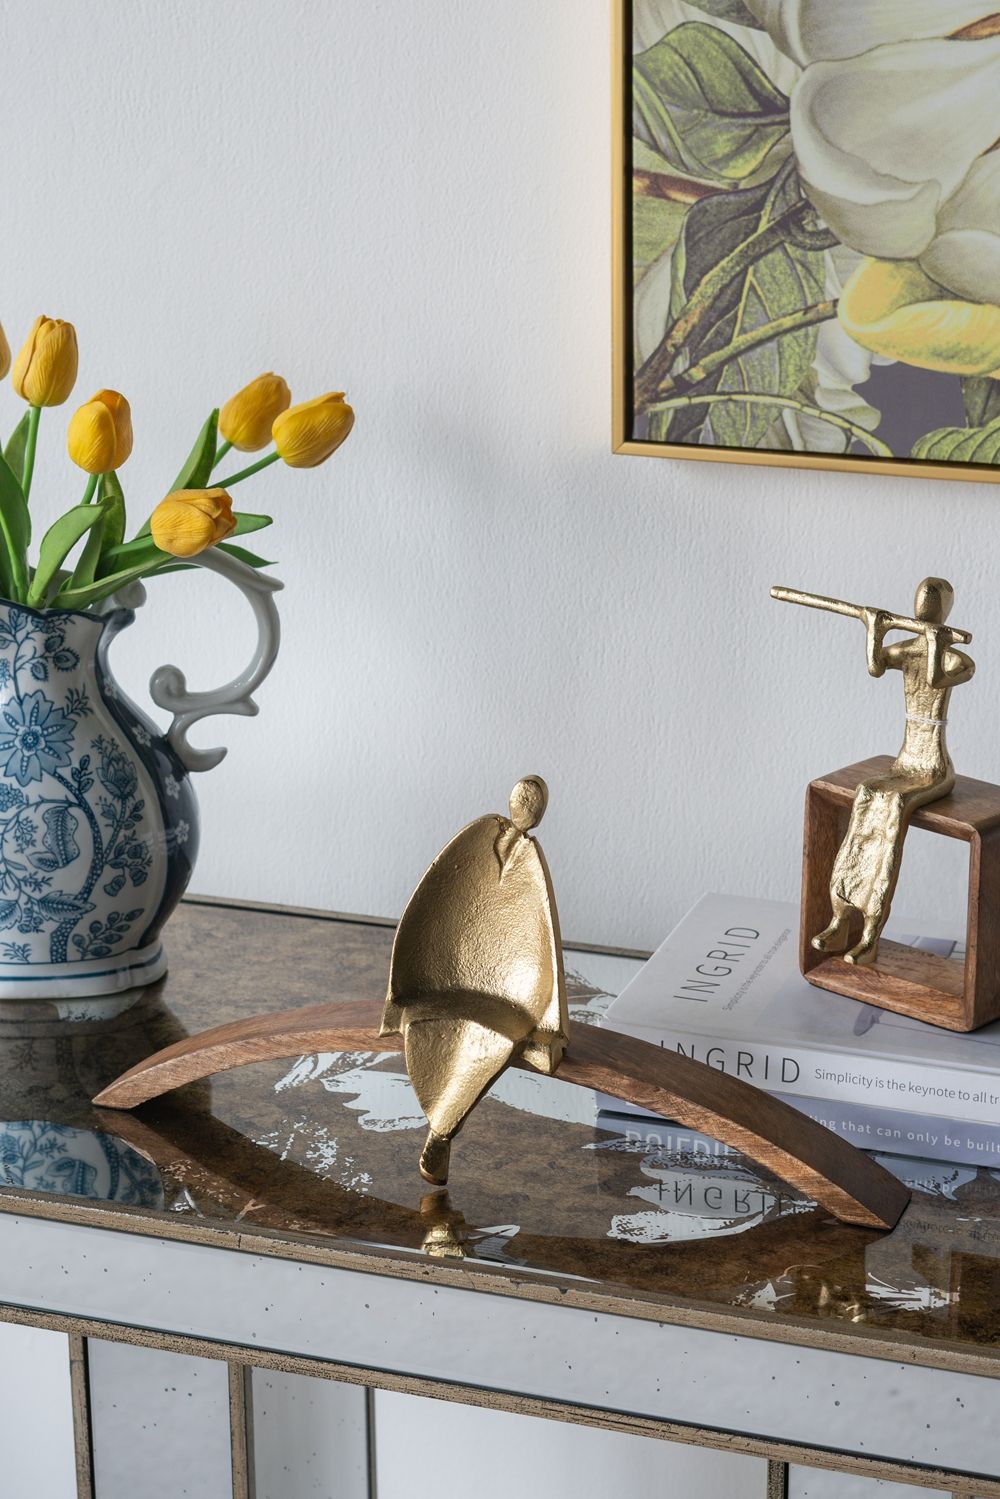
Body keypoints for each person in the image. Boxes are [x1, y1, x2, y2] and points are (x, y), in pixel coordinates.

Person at [812, 578, 974, 966]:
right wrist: (874, 628)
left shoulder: (954, 658)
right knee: (868, 793)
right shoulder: (911, 648)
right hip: (905, 760)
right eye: (922, 600)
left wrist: (935, 643)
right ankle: (839, 916)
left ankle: (869, 932)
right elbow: (876, 666)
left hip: (932, 765)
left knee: (894, 808)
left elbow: (938, 677)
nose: (924, 607)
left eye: (931, 603)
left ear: (942, 610)